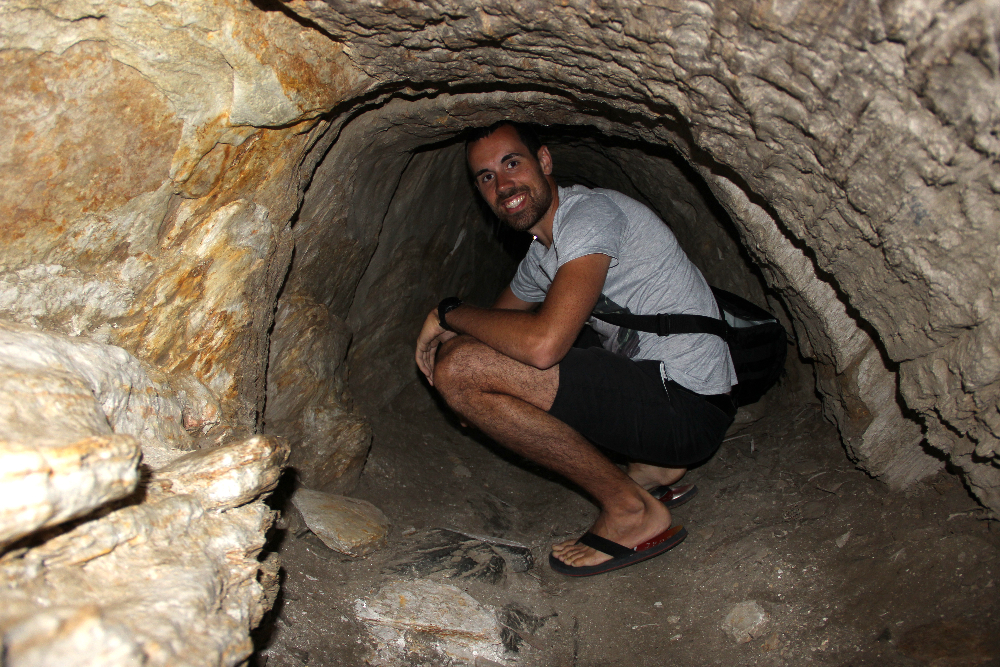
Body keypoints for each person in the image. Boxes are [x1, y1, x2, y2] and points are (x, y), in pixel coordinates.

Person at [414, 121, 737, 576]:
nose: (503, 185)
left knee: (461, 369)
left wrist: (447, 313)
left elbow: (543, 347)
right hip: (665, 402)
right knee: (466, 366)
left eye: (512, 163)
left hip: (689, 403)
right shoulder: (540, 259)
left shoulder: (589, 214)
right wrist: (470, 381)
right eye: (486, 176)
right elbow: (492, 330)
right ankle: (658, 468)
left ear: (544, 162)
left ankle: (632, 512)